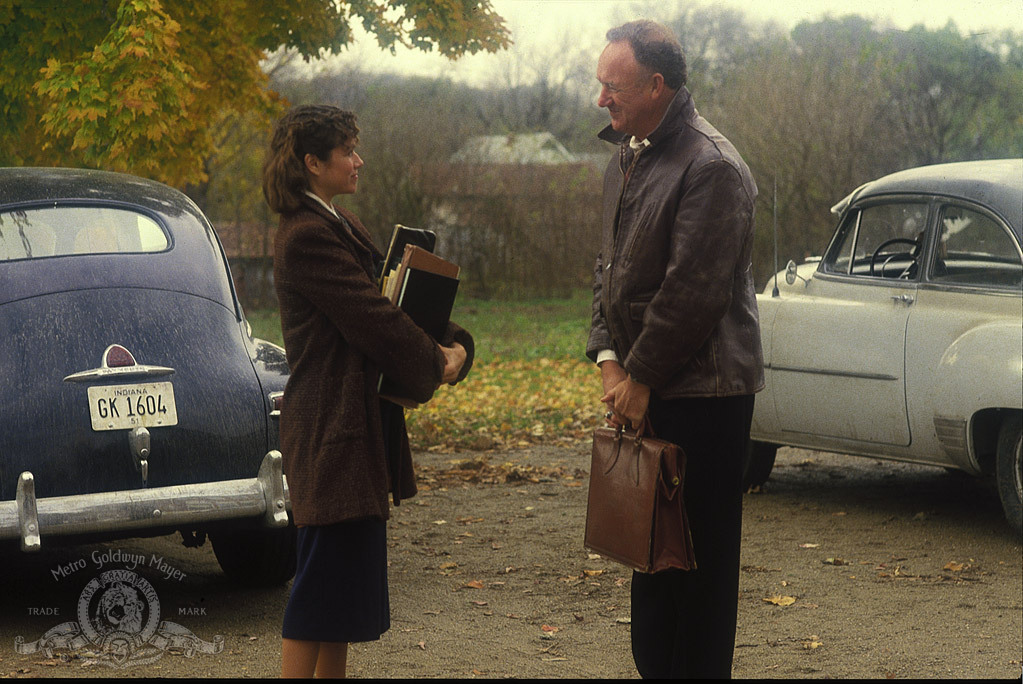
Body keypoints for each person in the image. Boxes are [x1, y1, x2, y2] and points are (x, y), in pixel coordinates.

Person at [262, 104, 473, 678]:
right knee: (317, 593)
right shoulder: (306, 236)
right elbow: (373, 317)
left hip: (354, 428)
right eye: (347, 151)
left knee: (341, 600)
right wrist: (437, 362)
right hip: (331, 430)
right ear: (312, 162)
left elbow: (393, 297)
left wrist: (457, 345)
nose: (360, 160)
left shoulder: (339, 223)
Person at [586, 20, 764, 679]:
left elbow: (694, 290)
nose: (600, 98)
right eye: (599, 84)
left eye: (613, 85)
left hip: (703, 398)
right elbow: (607, 271)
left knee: (696, 570)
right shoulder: (628, 156)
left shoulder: (710, 165)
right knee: (651, 560)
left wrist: (638, 375)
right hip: (645, 386)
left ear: (656, 85)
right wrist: (608, 362)